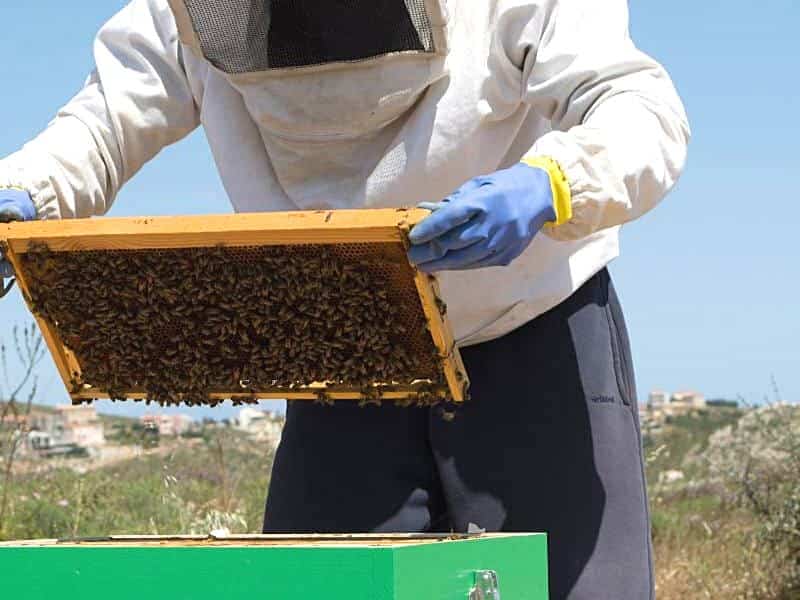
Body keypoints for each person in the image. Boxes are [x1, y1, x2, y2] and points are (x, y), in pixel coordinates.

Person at [0, 1, 689, 597]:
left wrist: (553, 183)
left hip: (532, 333)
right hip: (349, 356)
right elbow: (106, 118)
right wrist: (32, 189)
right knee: (318, 583)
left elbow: (640, 109)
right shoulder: (193, 14)